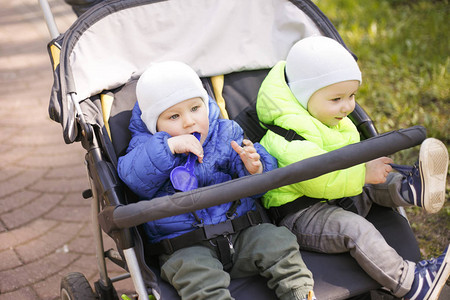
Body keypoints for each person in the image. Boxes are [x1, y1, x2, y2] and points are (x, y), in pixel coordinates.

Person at [256, 36, 449, 300]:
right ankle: (411, 284)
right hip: (301, 214)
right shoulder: (284, 135)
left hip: (336, 193)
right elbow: (315, 176)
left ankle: (411, 188)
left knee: (377, 177)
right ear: (303, 96)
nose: (348, 106)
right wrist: (362, 172)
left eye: (352, 96)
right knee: (357, 229)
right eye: (337, 99)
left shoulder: (331, 117)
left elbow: (348, 164)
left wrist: (367, 170)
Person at [118, 61, 315, 300]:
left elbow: (255, 187)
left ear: (205, 104)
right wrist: (167, 148)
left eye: (194, 108)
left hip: (242, 231)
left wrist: (255, 168)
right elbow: (134, 178)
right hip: (185, 246)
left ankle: (299, 292)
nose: (189, 122)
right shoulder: (143, 147)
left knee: (277, 242)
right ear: (154, 124)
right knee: (198, 279)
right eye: (173, 116)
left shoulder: (225, 133)